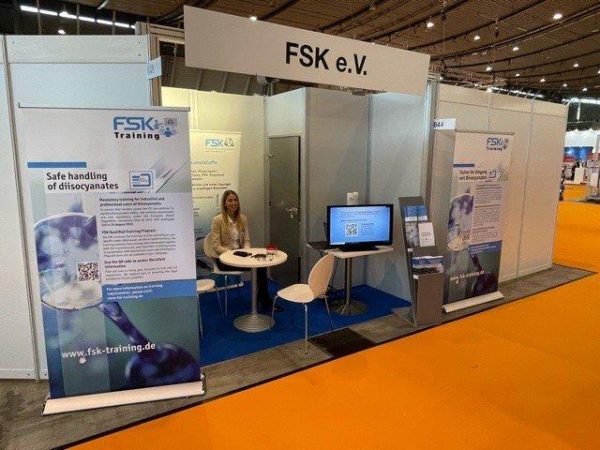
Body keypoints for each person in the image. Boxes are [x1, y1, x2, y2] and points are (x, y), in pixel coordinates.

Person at [206, 190, 274, 311]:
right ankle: (263, 300)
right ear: (225, 203)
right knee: (259, 268)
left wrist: (247, 253)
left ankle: (262, 297)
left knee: (261, 265)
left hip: (240, 256)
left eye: (235, 200)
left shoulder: (242, 218)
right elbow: (216, 246)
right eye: (230, 200)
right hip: (223, 259)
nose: (233, 203)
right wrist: (231, 253)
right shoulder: (218, 220)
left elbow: (246, 240)